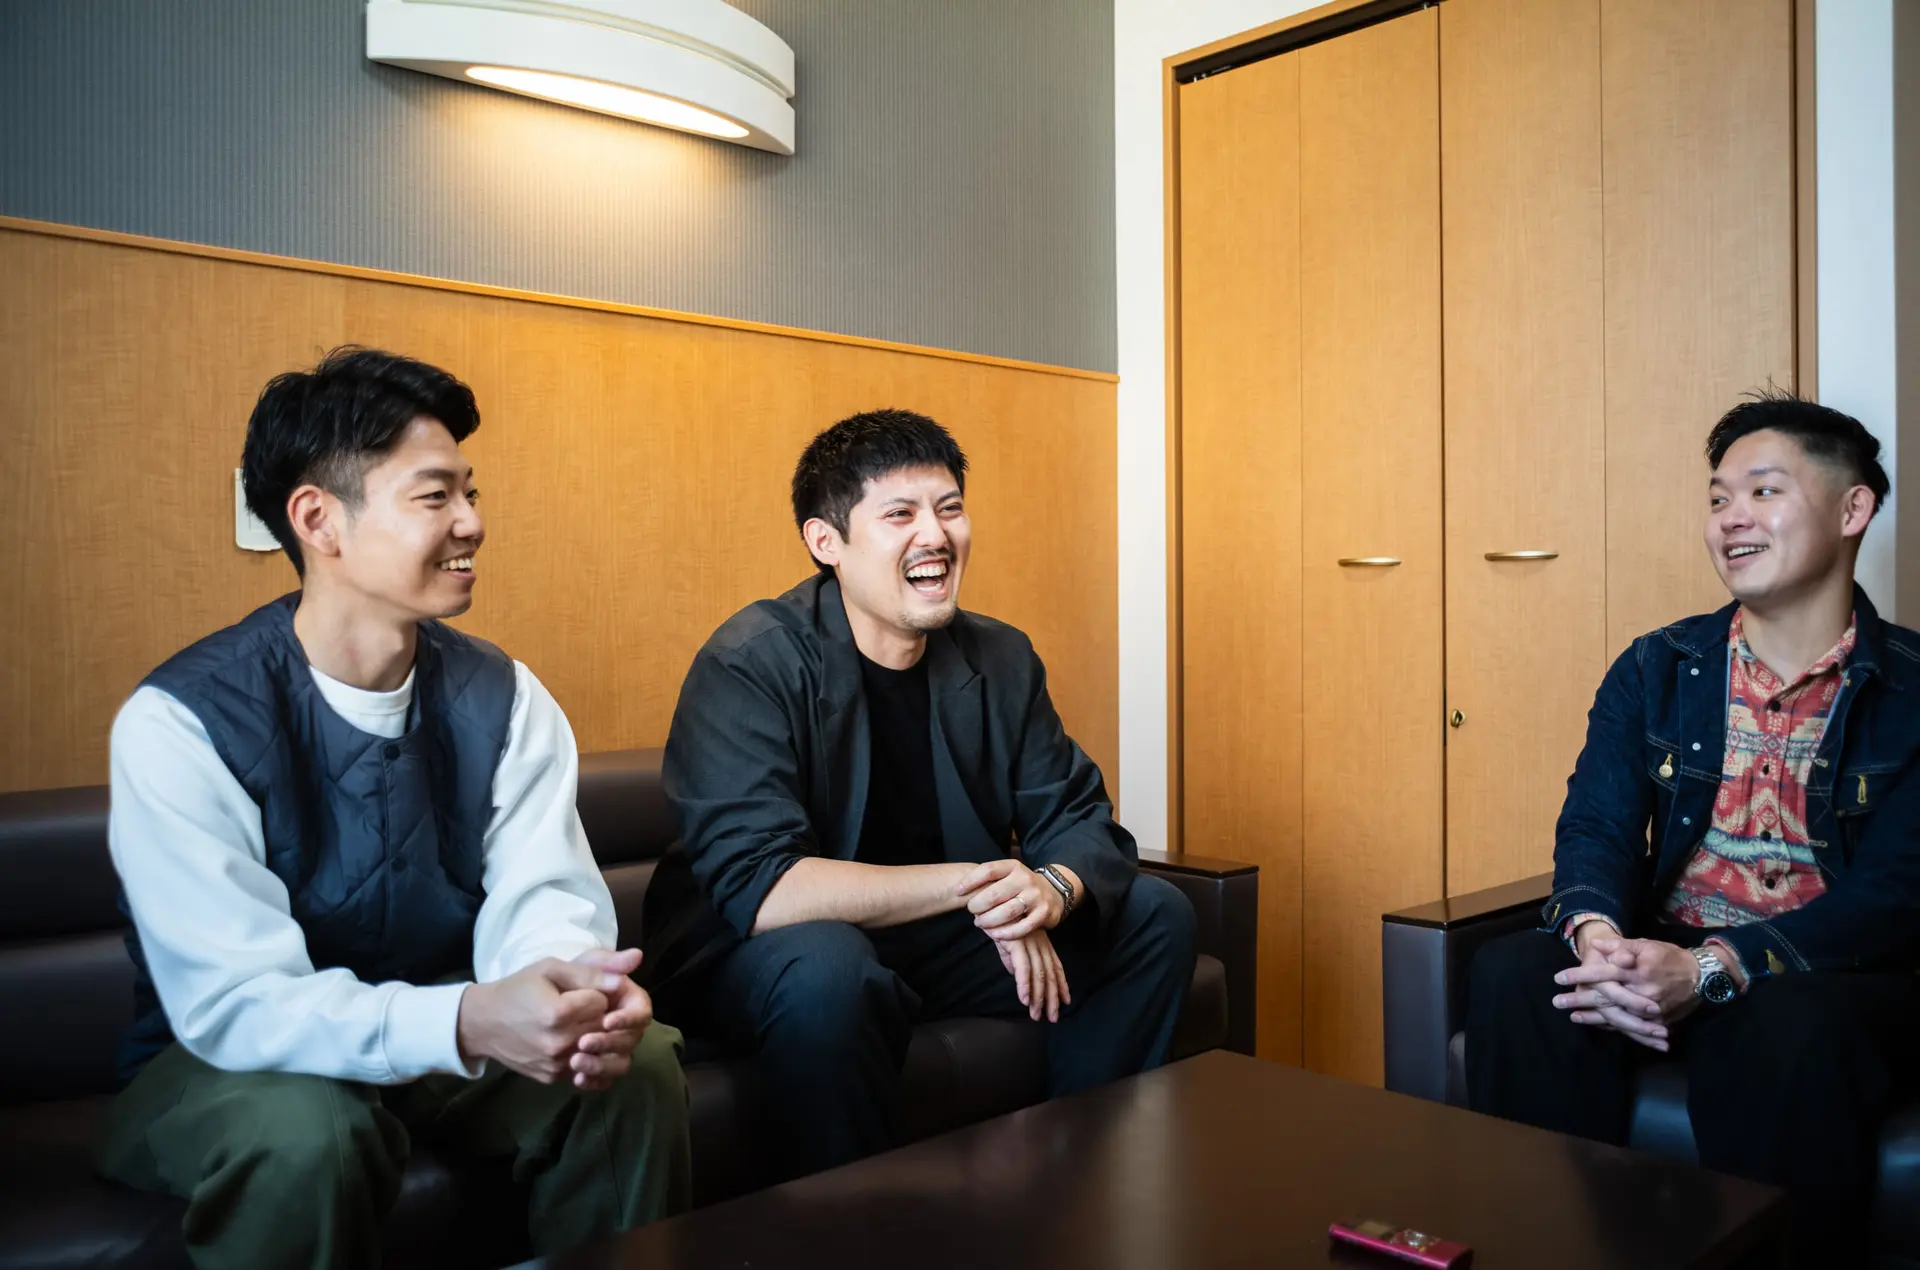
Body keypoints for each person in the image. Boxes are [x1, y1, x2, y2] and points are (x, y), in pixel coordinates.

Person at [95, 348, 691, 1269]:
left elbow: (542, 897)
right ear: (318, 520)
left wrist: (575, 996)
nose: (472, 522)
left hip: (445, 1035)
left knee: (631, 1066)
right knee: (309, 1133)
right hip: (228, 1064)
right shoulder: (181, 722)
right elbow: (239, 1002)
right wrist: (467, 1021)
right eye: (435, 496)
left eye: (471, 492)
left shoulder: (505, 696)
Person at [642, 407, 1196, 1177]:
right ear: (826, 542)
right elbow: (763, 889)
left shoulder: (1001, 658)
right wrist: (982, 888)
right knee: (830, 967)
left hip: (931, 939)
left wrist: (1051, 890)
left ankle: (1077, 1187)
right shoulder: (750, 662)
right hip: (761, 949)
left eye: (949, 508)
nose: (935, 535)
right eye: (900, 514)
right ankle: (857, 1228)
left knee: (1154, 915)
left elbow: (1078, 818)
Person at [1466, 391, 1920, 1265]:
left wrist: (1717, 968)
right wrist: (1601, 943)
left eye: (1763, 491)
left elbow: (1893, 899)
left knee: (1786, 1027)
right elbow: (1595, 826)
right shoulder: (1657, 666)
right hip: (1669, 942)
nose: (1730, 519)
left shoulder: (1912, 690)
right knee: (1517, 975)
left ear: (1853, 508)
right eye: (1718, 499)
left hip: (1830, 977)